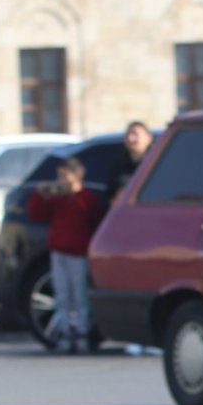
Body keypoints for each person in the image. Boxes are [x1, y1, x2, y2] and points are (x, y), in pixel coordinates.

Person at [27, 156, 104, 353]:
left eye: (64, 176)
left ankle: (81, 333)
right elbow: (37, 214)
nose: (60, 180)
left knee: (79, 295)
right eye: (59, 176)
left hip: (78, 253)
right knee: (62, 295)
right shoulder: (57, 198)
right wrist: (40, 194)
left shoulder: (87, 199)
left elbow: (96, 222)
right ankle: (64, 332)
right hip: (58, 252)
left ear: (77, 176)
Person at [106, 120, 153, 205]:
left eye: (135, 134)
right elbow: (109, 195)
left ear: (148, 137)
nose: (130, 138)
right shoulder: (118, 166)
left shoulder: (157, 164)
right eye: (128, 134)